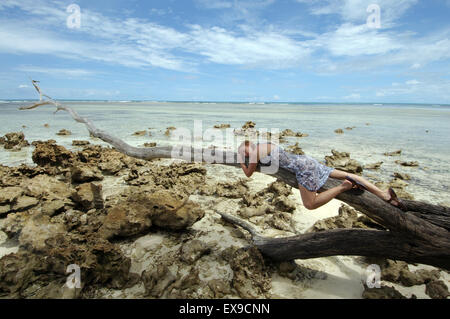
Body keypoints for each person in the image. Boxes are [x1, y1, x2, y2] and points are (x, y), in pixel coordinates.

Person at [237, 140, 406, 211]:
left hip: (304, 169)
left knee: (310, 204)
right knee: (350, 174)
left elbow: (248, 174)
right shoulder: (265, 144)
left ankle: (344, 186)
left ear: (247, 146)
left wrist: (242, 161)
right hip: (307, 160)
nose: (243, 154)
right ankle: (384, 194)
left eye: (242, 151)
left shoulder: (253, 153)